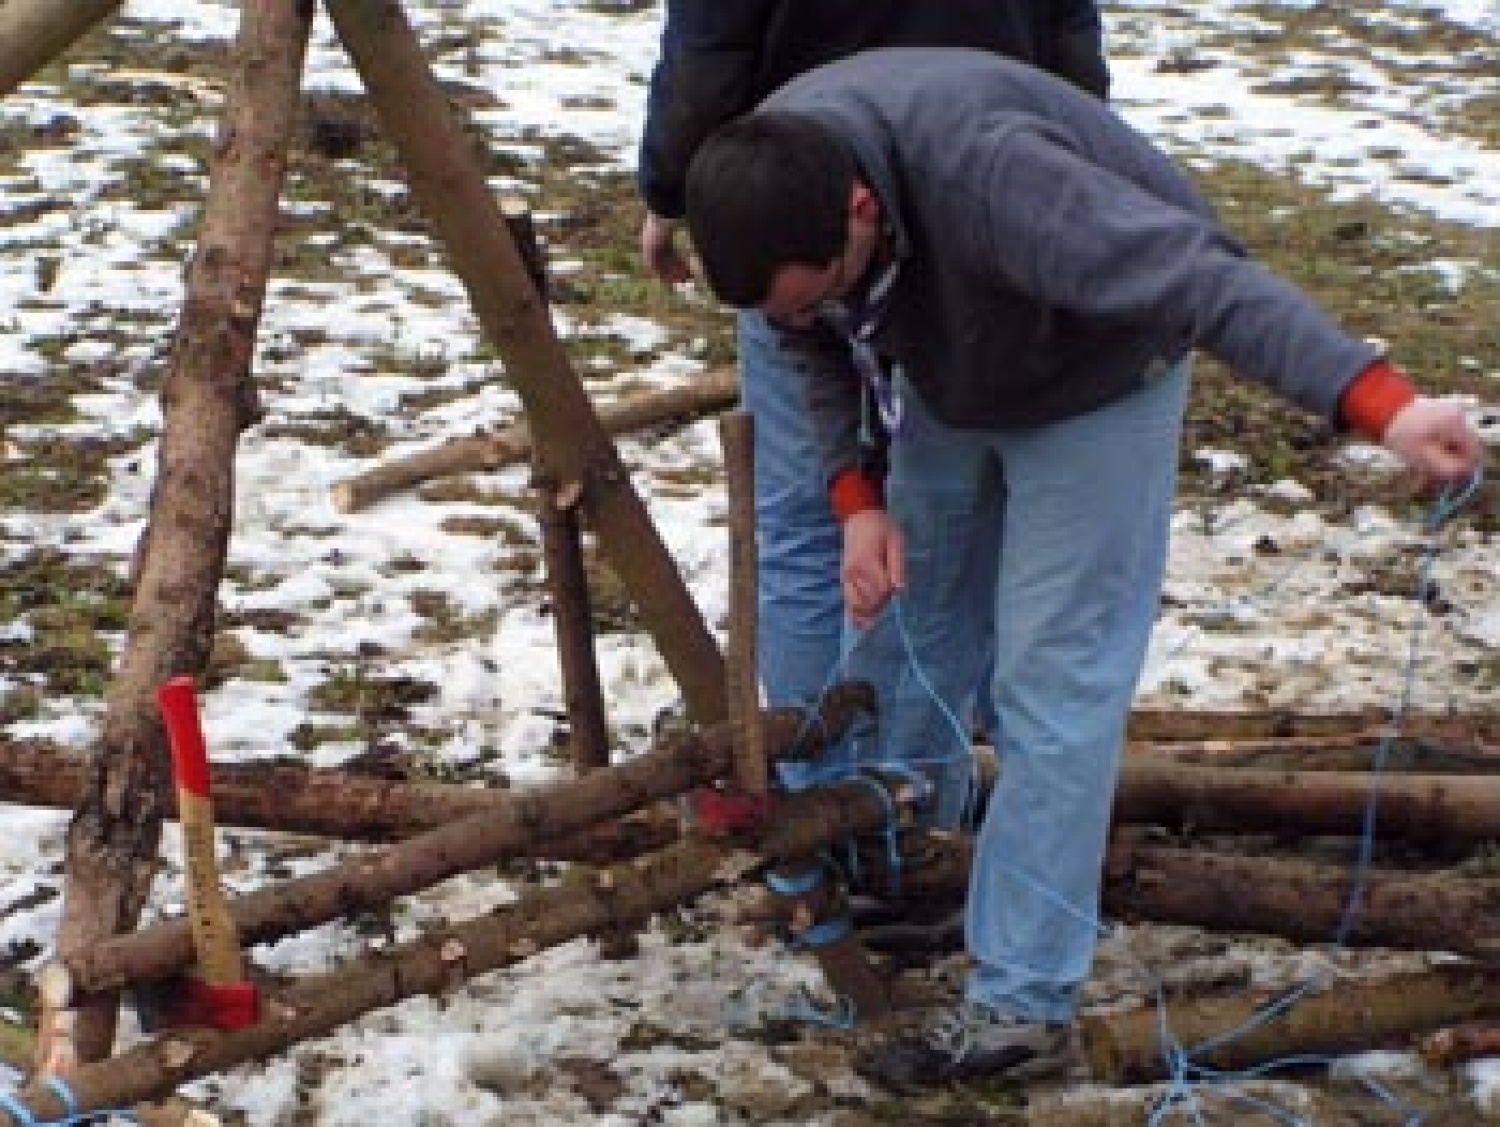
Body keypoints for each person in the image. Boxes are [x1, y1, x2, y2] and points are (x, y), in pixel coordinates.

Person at [681, 47, 1487, 1090]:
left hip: (1101, 372)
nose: (804, 314)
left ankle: (1022, 1000)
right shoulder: (773, 190)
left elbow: (1202, 279)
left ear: (862, 208)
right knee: (913, 630)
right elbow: (816, 341)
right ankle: (910, 869)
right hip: (955, 374)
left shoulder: (999, 181)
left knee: (1051, 682)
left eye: (820, 287)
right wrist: (858, 500)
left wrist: (1382, 405)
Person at [638, 3, 1111, 824]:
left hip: (807, 196)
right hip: (960, 186)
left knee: (825, 521)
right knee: (935, 523)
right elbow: (1068, 24)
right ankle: (894, 808)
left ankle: (855, 819)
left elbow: (711, 35)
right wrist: (1065, 154)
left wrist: (679, 183)